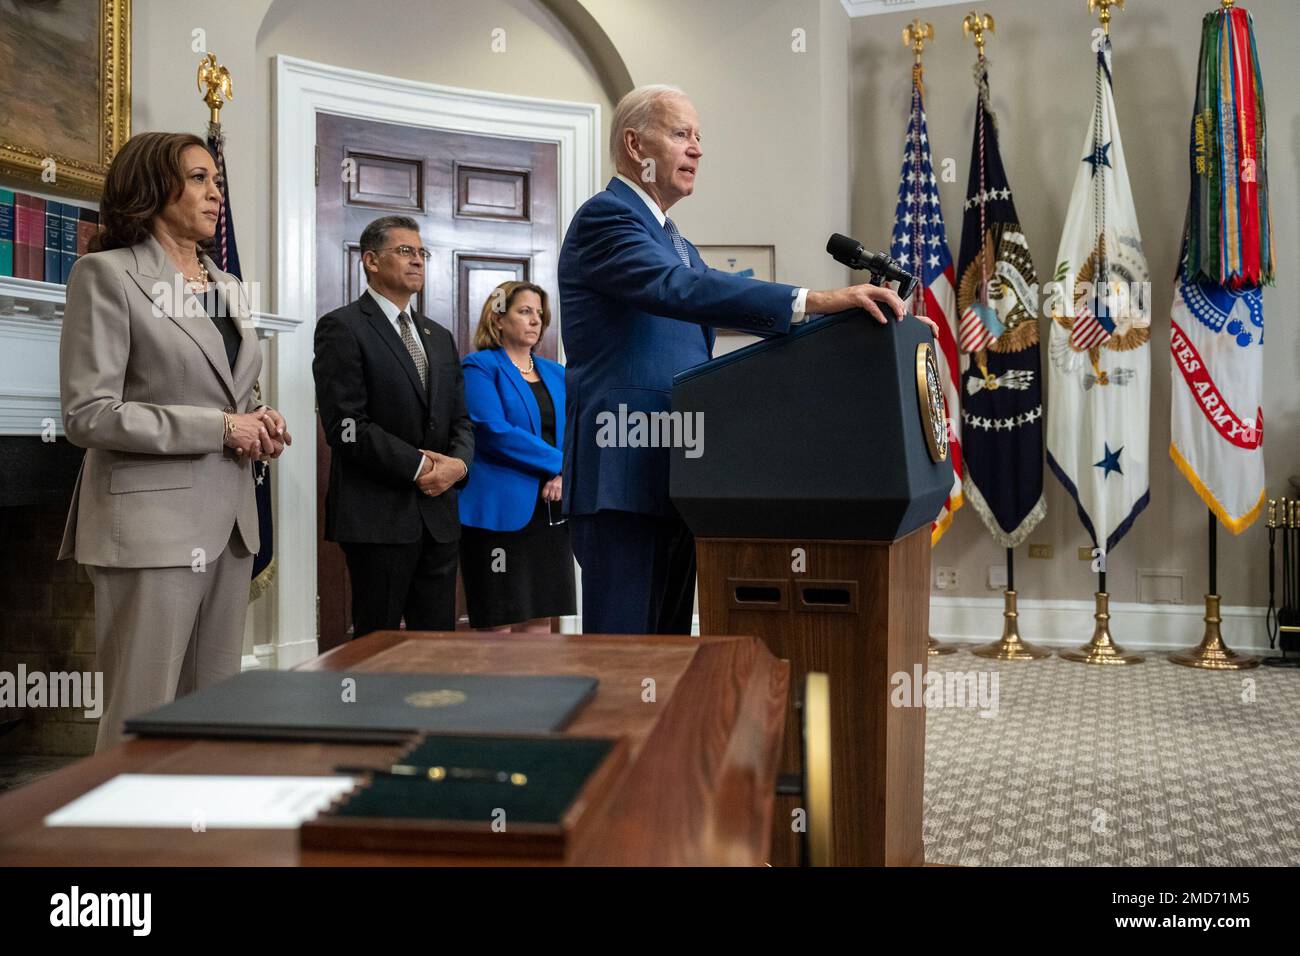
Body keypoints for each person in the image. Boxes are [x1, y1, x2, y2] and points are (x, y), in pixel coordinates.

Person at [559, 84, 935, 635]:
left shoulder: (674, 239)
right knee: (623, 660)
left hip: (677, 465)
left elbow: (706, 296)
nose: (697, 149)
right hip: (621, 467)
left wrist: (855, 326)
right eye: (681, 134)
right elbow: (681, 289)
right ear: (635, 144)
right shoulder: (607, 219)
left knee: (665, 654)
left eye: (699, 137)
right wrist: (818, 299)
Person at [58, 131, 290, 751]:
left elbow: (231, 391)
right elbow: (88, 414)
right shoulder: (105, 275)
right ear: (153, 187)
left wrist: (259, 421)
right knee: (143, 712)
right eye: (198, 179)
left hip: (232, 523)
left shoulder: (227, 284)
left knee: (212, 710)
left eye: (217, 180)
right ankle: (120, 841)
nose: (216, 193)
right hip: (151, 525)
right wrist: (219, 428)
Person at [313, 215, 473, 639]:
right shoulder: (342, 327)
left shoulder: (438, 335)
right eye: (405, 251)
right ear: (370, 261)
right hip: (377, 518)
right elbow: (346, 426)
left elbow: (461, 419)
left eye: (422, 253)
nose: (417, 260)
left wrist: (458, 466)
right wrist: (422, 467)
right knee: (377, 648)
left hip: (439, 519)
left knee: (435, 648)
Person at [458, 281, 575, 632]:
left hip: (550, 515)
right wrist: (562, 464)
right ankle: (498, 691)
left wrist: (564, 474)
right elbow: (493, 432)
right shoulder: (479, 367)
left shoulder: (558, 373)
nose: (535, 320)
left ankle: (540, 690)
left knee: (540, 618)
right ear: (498, 320)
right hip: (499, 513)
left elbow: (577, 432)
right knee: (499, 622)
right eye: (524, 311)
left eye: (539, 314)